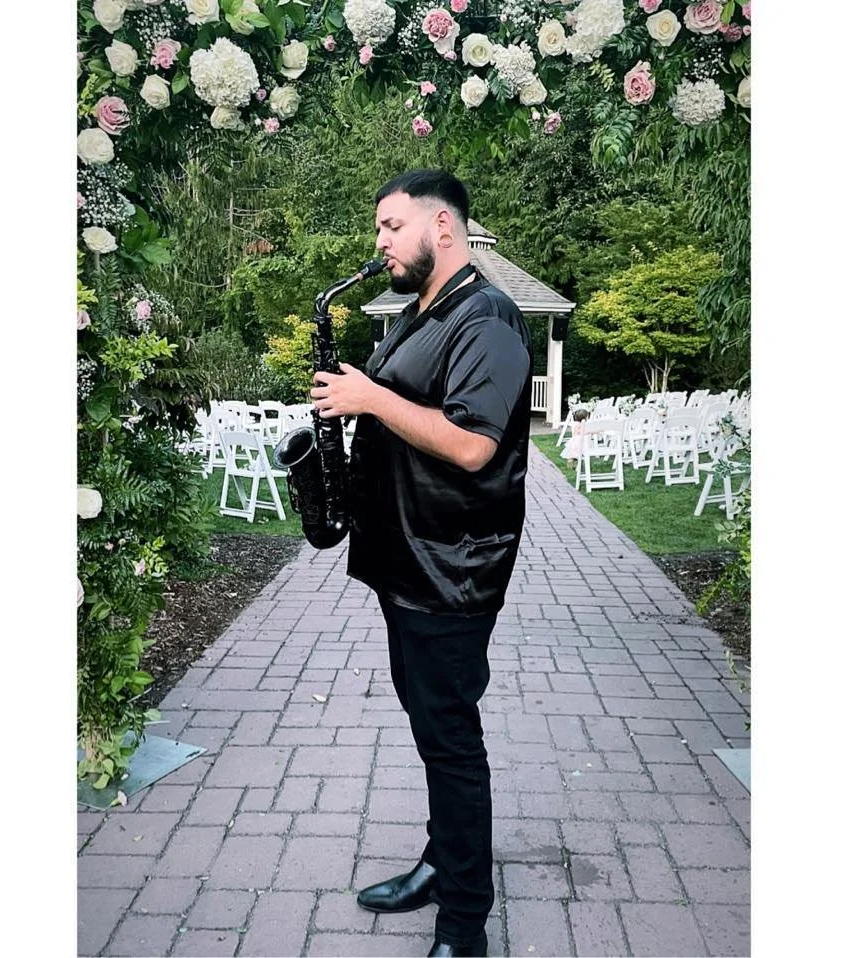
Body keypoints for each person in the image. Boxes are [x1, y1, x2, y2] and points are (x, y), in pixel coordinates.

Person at [309, 170, 532, 958]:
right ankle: (443, 860)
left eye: (390, 226)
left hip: (452, 570)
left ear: (442, 227)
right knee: (430, 725)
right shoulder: (417, 312)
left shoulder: (488, 318)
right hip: (405, 562)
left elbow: (472, 445)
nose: (379, 242)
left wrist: (369, 399)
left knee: (451, 739)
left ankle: (465, 926)